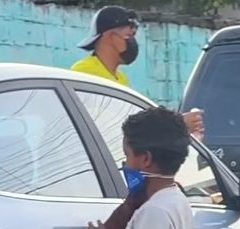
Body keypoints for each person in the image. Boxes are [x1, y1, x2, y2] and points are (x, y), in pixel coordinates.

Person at [71, 5, 204, 138]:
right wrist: (175, 124)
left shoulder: (120, 78)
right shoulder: (86, 73)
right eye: (129, 36)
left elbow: (131, 123)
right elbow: (114, 125)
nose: (133, 42)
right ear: (110, 36)